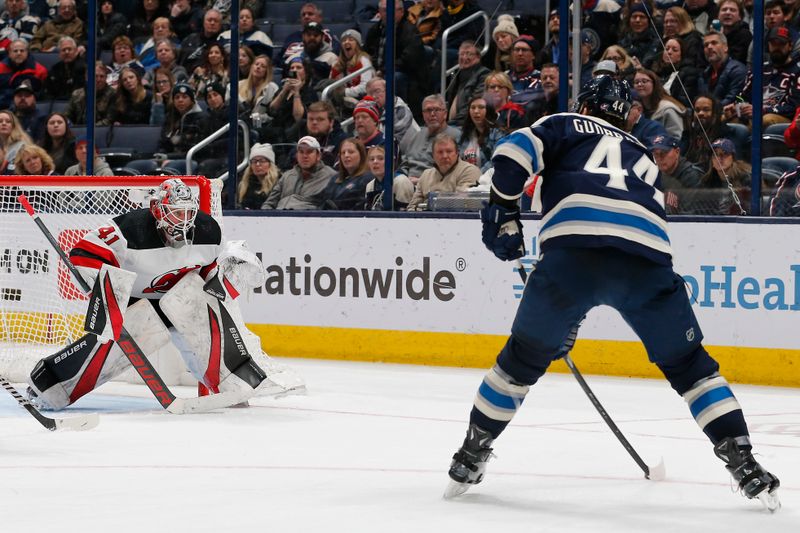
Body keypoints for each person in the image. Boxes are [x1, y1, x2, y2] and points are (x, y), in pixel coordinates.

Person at [443, 75, 781, 512]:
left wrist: (504, 211)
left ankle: (471, 455)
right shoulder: (643, 154)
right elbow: (621, 227)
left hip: (572, 256)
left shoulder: (565, 123)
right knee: (692, 369)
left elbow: (511, 153)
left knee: (520, 362)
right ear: (626, 115)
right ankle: (744, 462)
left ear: (585, 106)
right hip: (647, 262)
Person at [26, 178, 298, 411]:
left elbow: (209, 274)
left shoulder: (208, 230)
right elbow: (82, 256)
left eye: (187, 213)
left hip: (179, 299)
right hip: (134, 303)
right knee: (107, 350)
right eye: (175, 212)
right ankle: (48, 387)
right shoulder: (128, 229)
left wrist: (229, 277)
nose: (183, 220)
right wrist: (109, 289)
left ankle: (235, 385)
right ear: (157, 209)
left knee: (206, 319)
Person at [407, 132, 479, 211]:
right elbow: (412, 207)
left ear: (457, 153)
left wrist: (429, 204)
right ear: (433, 155)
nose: (445, 156)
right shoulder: (426, 175)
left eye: (449, 151)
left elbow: (460, 203)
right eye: (440, 152)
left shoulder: (469, 171)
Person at [398, 94, 461, 184]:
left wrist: (421, 181)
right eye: (428, 110)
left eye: (436, 110)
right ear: (423, 114)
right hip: (408, 182)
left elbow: (457, 170)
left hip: (436, 185)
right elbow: (405, 164)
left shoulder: (456, 136)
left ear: (445, 114)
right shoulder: (417, 135)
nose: (432, 114)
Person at [262, 135, 337, 210]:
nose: (305, 156)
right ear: (296, 155)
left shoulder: (331, 176)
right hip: (279, 217)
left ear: (318, 156)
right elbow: (269, 203)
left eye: (309, 152)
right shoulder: (287, 175)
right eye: (301, 152)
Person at [648, 133, 703, 214]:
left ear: (677, 152)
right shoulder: (654, 175)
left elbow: (690, 215)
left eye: (663, 153)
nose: (659, 158)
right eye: (655, 154)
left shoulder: (691, 176)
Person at [698, 137, 752, 215]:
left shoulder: (746, 179)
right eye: (715, 154)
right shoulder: (707, 182)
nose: (719, 158)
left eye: (724, 154)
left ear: (733, 158)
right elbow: (699, 209)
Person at [321, 138, 373, 210]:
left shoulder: (367, 178)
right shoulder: (335, 179)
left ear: (361, 155)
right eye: (343, 153)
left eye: (351, 152)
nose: (346, 155)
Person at [446, 40, 490, 125]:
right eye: (461, 54)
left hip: (467, 124)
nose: (464, 57)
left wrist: (454, 123)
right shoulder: (456, 75)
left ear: (478, 57)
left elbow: (473, 103)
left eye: (469, 54)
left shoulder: (484, 75)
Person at [633, 68, 686, 139]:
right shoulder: (636, 109)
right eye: (636, 82)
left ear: (655, 84)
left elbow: (675, 139)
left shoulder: (668, 109)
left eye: (644, 81)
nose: (639, 84)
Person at [700, 30, 747, 107]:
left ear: (725, 47)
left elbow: (733, 99)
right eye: (706, 45)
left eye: (714, 43)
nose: (709, 47)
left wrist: (710, 110)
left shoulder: (738, 70)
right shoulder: (704, 74)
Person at [364, 145, 414, 210]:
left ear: (391, 161)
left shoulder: (401, 181)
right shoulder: (370, 186)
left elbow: (406, 213)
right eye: (371, 159)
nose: (375, 162)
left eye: (380, 158)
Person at [458, 95, 501, 172]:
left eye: (481, 107)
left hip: (486, 179)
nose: (476, 111)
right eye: (473, 108)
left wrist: (477, 175)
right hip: (464, 177)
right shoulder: (464, 135)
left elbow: (496, 160)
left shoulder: (497, 133)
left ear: (489, 110)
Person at [43, 36, 86, 100]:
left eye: (69, 49)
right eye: (63, 50)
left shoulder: (84, 68)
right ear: (59, 53)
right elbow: (48, 92)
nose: (66, 52)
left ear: (76, 51)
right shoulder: (54, 70)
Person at [238, 143, 280, 209]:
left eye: (262, 161)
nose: (257, 164)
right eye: (254, 161)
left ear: (270, 164)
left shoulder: (280, 183)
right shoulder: (244, 185)